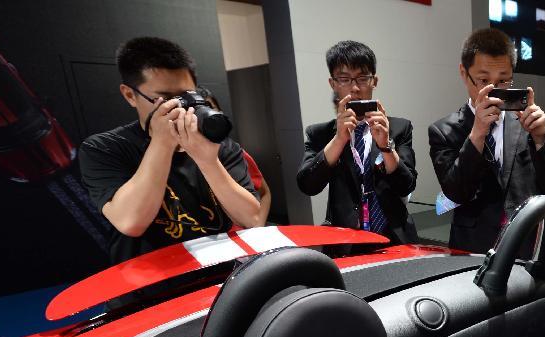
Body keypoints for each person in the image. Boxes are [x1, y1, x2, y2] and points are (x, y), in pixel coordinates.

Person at [79, 37, 265, 265]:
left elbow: (252, 219)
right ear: (130, 95)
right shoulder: (104, 148)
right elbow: (130, 222)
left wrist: (207, 161)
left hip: (221, 274)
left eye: (186, 96)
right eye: (166, 99)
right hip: (148, 288)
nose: (181, 107)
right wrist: (162, 142)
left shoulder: (220, 145)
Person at [429, 28, 545, 254]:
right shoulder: (444, 131)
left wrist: (542, 139)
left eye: (503, 81)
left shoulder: (534, 123)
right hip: (473, 249)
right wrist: (476, 135)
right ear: (464, 73)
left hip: (530, 246)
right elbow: (455, 193)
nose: (493, 92)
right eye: (483, 80)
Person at [297, 41, 417, 243]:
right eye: (344, 79)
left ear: (374, 81)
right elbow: (308, 185)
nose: (354, 87)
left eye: (362, 78)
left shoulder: (398, 128)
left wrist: (386, 146)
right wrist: (339, 140)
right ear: (333, 83)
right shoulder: (320, 134)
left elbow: (406, 186)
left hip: (395, 235)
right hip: (345, 240)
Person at [199, 88, 272, 217]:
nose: (205, 115)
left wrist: (258, 225)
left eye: (209, 108)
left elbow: (264, 193)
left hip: (241, 231)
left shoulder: (233, 152)